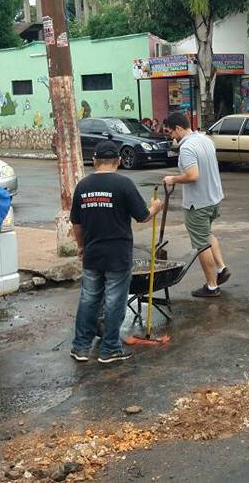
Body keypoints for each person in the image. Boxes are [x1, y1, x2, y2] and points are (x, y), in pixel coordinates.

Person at [70, 141, 162, 363]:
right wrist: (156, 207)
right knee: (114, 301)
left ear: (94, 161)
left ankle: (80, 347)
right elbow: (142, 216)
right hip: (117, 256)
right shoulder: (124, 184)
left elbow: (76, 223)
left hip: (93, 253)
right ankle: (110, 348)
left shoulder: (83, 186)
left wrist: (81, 246)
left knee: (89, 299)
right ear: (118, 161)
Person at [161, 111, 230, 298]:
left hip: (197, 204)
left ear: (178, 129)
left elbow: (193, 175)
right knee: (206, 234)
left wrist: (172, 179)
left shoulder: (187, 148)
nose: (170, 137)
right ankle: (221, 268)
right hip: (213, 199)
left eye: (170, 133)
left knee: (201, 244)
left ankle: (211, 286)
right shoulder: (205, 140)